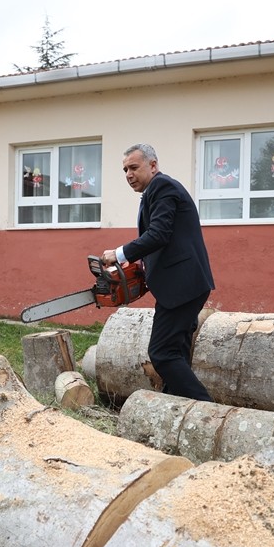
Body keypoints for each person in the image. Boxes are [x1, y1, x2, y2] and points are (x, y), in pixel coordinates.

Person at [102, 144, 215, 401]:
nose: (128, 174)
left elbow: (159, 234)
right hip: (183, 283)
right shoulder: (154, 191)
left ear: (152, 165)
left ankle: (207, 409)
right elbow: (167, 237)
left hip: (183, 285)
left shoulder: (163, 187)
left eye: (133, 167)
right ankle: (178, 404)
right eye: (124, 170)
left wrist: (119, 254)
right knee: (176, 349)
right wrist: (143, 264)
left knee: (162, 353)